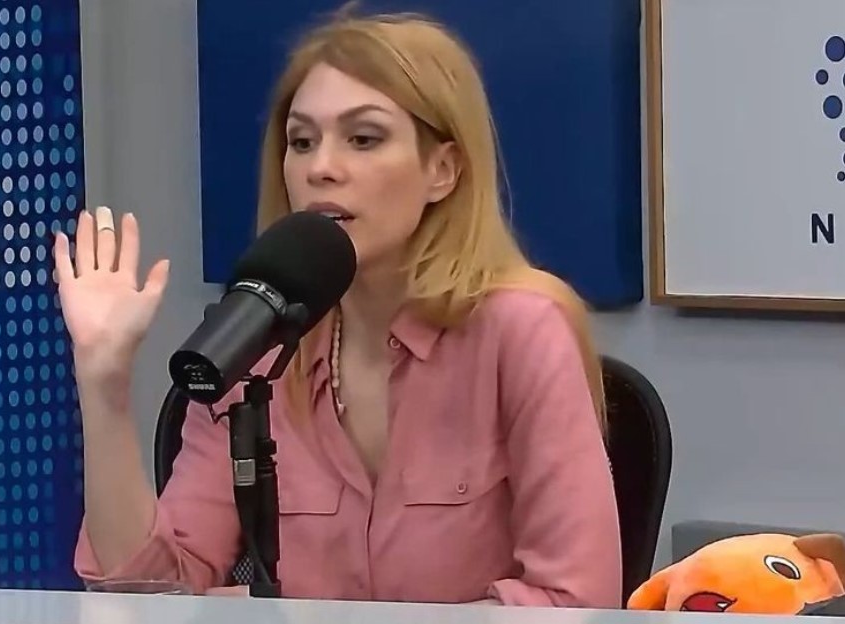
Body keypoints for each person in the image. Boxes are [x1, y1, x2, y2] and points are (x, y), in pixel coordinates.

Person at [55, 7, 622, 607]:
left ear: (442, 170)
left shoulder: (523, 330)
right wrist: (104, 386)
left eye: (363, 139)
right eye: (302, 142)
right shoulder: (257, 341)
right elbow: (149, 595)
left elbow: (576, 600)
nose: (321, 168)